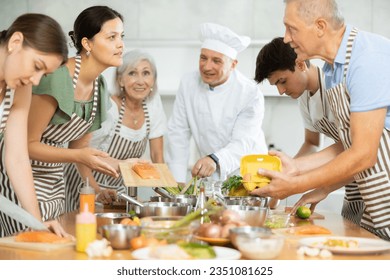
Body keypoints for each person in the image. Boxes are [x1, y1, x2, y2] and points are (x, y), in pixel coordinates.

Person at [252, 0, 390, 240]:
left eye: (291, 28)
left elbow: (363, 154)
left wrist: (297, 185)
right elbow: (349, 143)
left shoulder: (366, 58)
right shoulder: (332, 69)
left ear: (319, 26)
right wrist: (296, 167)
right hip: (376, 198)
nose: (286, 38)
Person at [25, 6, 124, 224]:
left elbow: (79, 148)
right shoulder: (57, 77)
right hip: (21, 180)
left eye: (121, 36)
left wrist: (97, 190)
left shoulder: (100, 85)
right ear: (87, 43)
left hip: (54, 184)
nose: (120, 44)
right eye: (112, 37)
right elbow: (28, 144)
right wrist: (78, 156)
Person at [64, 49, 166, 211]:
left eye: (146, 73)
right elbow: (80, 152)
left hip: (118, 191)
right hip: (85, 185)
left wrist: (166, 196)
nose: (140, 81)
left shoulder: (153, 107)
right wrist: (97, 191)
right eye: (132, 73)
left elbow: (157, 157)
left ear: (153, 80)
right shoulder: (109, 108)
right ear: (120, 80)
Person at [166, 22, 267, 184]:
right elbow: (178, 133)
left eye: (216, 61)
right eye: (203, 58)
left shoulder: (249, 93)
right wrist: (176, 181)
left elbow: (243, 142)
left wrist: (215, 159)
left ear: (233, 65)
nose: (207, 67)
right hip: (210, 175)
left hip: (248, 175)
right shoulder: (188, 83)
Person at [0, 13, 69, 237]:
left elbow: (18, 157)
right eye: (36, 66)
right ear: (15, 42)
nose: (36, 80)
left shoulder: (19, 87)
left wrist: (37, 222)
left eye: (44, 74)